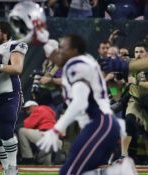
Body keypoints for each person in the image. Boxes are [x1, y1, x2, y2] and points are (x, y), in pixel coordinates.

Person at [36, 34, 136, 174]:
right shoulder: (83, 61)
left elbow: (80, 102)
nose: (60, 51)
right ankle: (116, 172)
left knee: (69, 172)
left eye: (63, 47)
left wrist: (56, 129)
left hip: (99, 123)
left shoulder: (76, 65)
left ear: (74, 50)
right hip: (100, 124)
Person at [0, 21, 28, 175]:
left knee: (6, 131)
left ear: (6, 33)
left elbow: (17, 68)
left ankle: (13, 168)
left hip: (9, 93)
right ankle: (5, 167)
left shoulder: (14, 45)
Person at [18, 100, 56, 165]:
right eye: (25, 109)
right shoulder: (49, 110)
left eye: (28, 108)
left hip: (45, 135)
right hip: (55, 139)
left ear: (34, 106)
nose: (27, 111)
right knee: (44, 162)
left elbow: (28, 124)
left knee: (22, 131)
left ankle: (28, 159)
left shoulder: (38, 109)